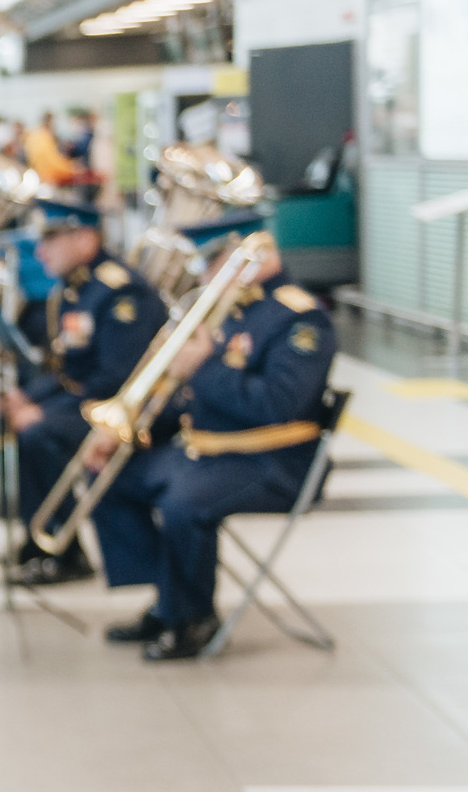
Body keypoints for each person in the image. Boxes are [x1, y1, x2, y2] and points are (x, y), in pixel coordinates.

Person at [92, 228, 333, 660]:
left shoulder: (300, 318)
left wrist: (202, 366)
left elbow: (277, 405)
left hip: (274, 460)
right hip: (208, 451)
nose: (205, 274)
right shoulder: (230, 310)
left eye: (213, 261)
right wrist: (129, 430)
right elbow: (188, 398)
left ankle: (192, 618)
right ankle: (168, 598)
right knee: (111, 477)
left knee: (183, 504)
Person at [4, 201, 167, 585]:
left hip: (122, 409)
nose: (41, 252)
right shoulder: (75, 290)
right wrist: (31, 397)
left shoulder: (120, 291)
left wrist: (44, 414)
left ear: (85, 238)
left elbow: (116, 378)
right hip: (90, 400)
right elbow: (67, 368)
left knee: (38, 433)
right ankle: (40, 539)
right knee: (9, 422)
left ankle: (64, 553)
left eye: (51, 241)